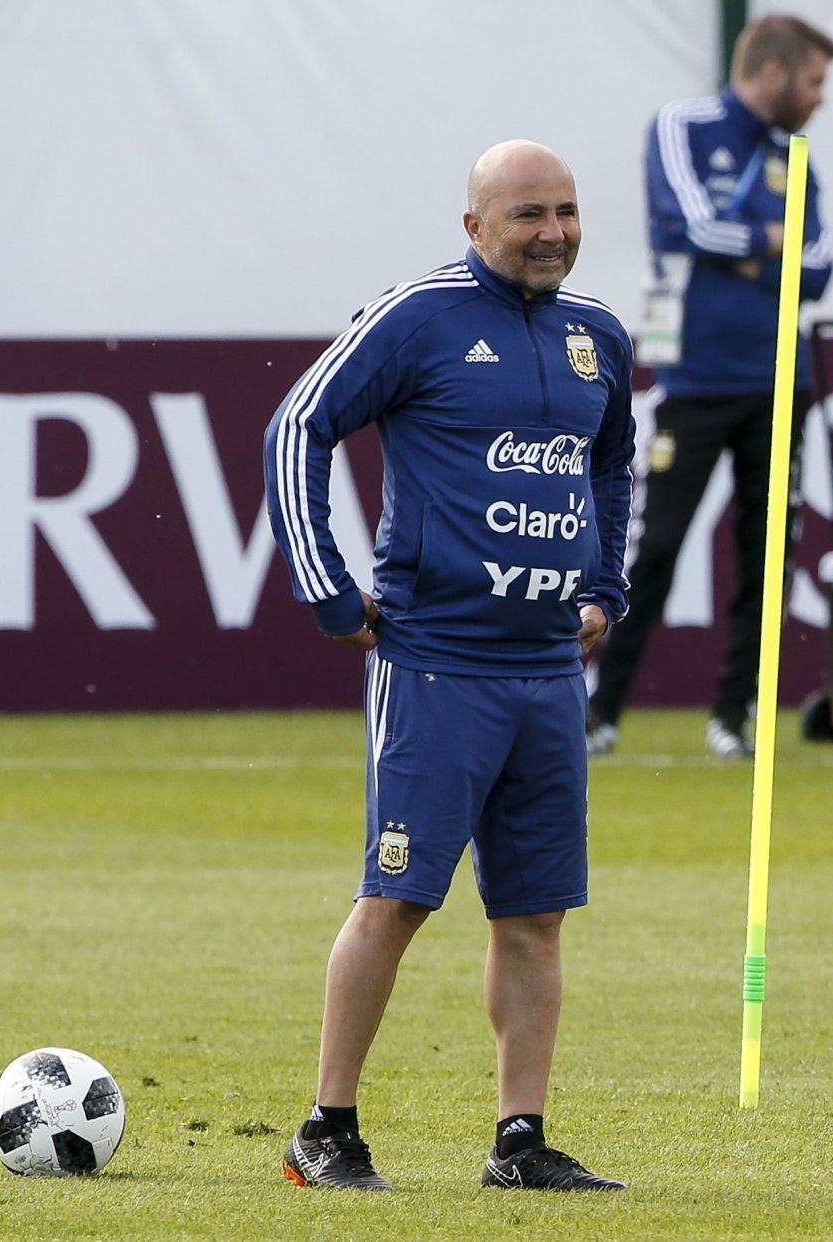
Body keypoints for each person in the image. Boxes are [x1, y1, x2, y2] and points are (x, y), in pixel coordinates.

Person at [262, 140, 635, 1191]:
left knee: (535, 915)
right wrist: (327, 589)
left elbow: (611, 471)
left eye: (565, 210)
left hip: (548, 676)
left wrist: (605, 589)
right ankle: (326, 1129)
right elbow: (299, 425)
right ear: (475, 226)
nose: (552, 231)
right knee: (397, 898)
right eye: (527, 215)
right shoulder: (415, 318)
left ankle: (521, 1141)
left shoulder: (595, 337)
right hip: (436, 665)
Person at [587, 13, 833, 760]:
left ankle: (733, 717)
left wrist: (756, 247)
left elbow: (820, 268)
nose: (822, 99)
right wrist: (772, 241)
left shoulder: (796, 157)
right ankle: (601, 713)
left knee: (767, 559)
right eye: (815, 81)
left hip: (782, 382)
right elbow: (683, 228)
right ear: (773, 73)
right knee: (654, 549)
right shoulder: (683, 127)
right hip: (693, 380)